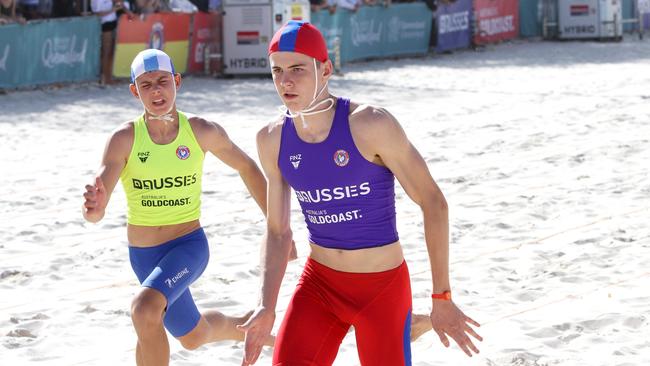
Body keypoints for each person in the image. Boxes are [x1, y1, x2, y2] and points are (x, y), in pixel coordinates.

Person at [239, 21, 482, 365]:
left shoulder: (369, 123)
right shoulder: (272, 138)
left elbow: (434, 203)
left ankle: (416, 321)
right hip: (319, 285)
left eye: (297, 69)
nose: (285, 81)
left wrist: (441, 296)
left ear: (325, 69)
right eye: (277, 71)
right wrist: (266, 306)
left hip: (381, 289)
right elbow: (278, 232)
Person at [81, 49, 272, 366]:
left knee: (144, 308)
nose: (156, 90)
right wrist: (94, 210)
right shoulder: (125, 138)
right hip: (143, 255)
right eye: (146, 84)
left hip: (188, 246)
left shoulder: (200, 131)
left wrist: (275, 225)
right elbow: (99, 204)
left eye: (162, 81)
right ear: (134, 91)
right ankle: (250, 326)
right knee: (193, 336)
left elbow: (248, 168)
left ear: (177, 82)